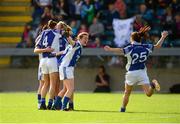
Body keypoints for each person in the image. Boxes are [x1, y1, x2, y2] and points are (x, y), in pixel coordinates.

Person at [104, 26, 168, 112]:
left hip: (131, 73)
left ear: (132, 39)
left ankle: (123, 109)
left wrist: (110, 49)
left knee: (127, 93)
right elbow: (158, 46)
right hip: (142, 73)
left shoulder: (130, 48)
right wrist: (163, 37)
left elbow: (120, 50)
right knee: (148, 93)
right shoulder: (146, 47)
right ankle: (152, 85)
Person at [52, 32, 89, 111]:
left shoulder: (74, 46)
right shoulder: (77, 45)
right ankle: (64, 107)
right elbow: (72, 42)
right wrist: (67, 35)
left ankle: (55, 105)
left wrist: (55, 54)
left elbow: (64, 52)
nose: (87, 40)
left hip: (67, 68)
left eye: (87, 38)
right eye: (85, 38)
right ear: (79, 38)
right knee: (70, 89)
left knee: (65, 89)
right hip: (66, 68)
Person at [34, 21, 63, 110]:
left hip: (43, 60)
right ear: (54, 27)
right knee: (53, 84)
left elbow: (36, 49)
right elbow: (67, 34)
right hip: (52, 59)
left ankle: (42, 103)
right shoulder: (57, 34)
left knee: (45, 83)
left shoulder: (42, 34)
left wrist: (45, 49)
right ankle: (50, 104)